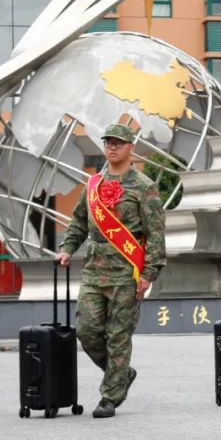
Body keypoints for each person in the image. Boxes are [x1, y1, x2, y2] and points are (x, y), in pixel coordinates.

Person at [55, 123, 166, 418]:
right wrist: (67, 248)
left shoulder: (144, 187)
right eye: (108, 142)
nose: (112, 147)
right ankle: (121, 374)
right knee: (87, 331)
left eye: (118, 142)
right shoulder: (93, 186)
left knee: (118, 336)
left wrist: (148, 274)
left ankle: (110, 396)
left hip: (126, 273)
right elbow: (79, 221)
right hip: (93, 271)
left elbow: (155, 234)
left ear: (131, 148)